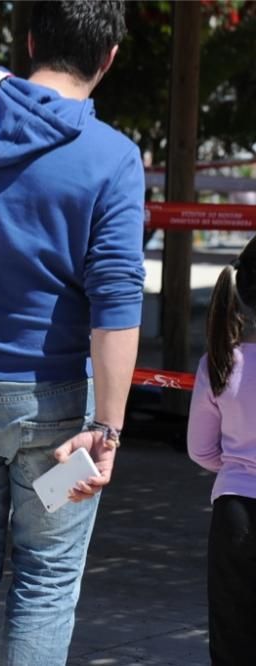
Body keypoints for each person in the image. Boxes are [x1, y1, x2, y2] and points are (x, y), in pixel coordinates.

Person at [0, 3, 145, 665]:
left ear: (31, 40)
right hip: (57, 417)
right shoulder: (112, 159)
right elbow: (117, 304)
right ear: (109, 58)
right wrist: (109, 427)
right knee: (45, 576)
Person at [187, 235, 256, 665]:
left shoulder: (218, 360)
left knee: (232, 636)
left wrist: (234, 467)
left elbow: (200, 448)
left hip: (234, 511)